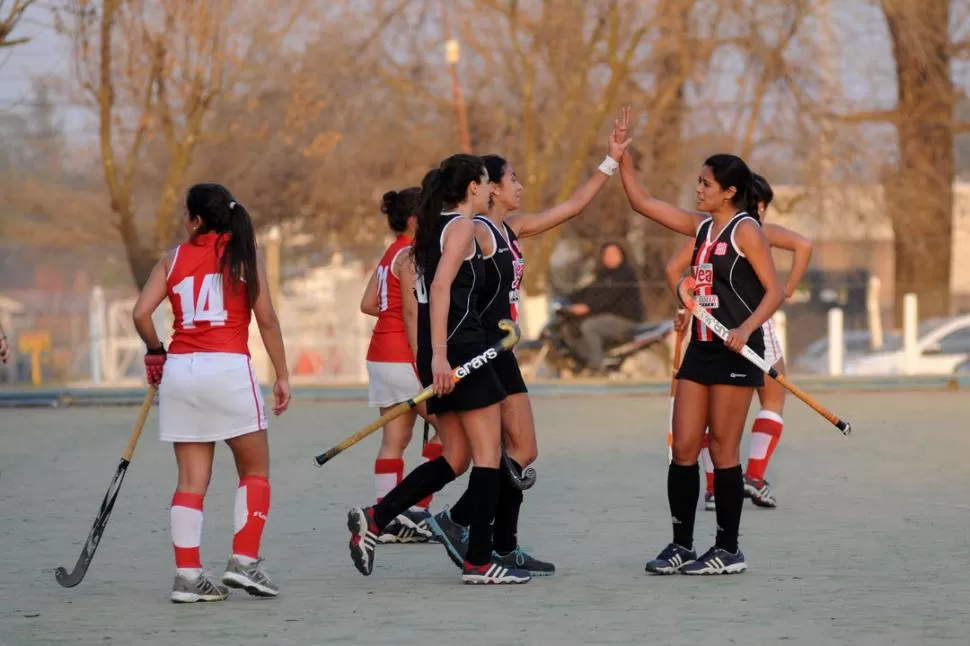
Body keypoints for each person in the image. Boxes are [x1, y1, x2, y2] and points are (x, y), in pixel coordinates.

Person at [427, 129, 631, 575]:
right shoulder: (476, 230)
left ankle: (484, 533)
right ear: (491, 188)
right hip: (484, 348)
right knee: (501, 452)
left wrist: (610, 161)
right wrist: (442, 353)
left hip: (504, 348)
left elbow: (572, 207)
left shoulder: (511, 228)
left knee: (522, 451)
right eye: (512, 179)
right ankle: (476, 533)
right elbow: (443, 285)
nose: (520, 186)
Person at [346, 154, 530, 585]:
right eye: (486, 183)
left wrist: (432, 356)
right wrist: (443, 356)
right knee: (487, 456)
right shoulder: (462, 225)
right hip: (461, 351)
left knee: (456, 456)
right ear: (472, 187)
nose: (489, 191)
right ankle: (479, 562)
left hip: (441, 353)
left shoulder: (430, 229)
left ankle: (376, 517)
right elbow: (443, 287)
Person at [612, 127, 785, 573]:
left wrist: (746, 329)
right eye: (699, 182)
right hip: (701, 349)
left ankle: (728, 550)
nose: (698, 190)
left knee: (725, 452)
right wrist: (621, 158)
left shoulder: (748, 231)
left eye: (706, 184)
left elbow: (774, 291)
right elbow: (643, 204)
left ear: (730, 191)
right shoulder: (703, 227)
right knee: (685, 447)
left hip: (738, 353)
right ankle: (681, 545)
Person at [131, 183, 291, 602]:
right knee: (254, 471)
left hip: (181, 372)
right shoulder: (245, 256)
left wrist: (154, 351)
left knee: (190, 479)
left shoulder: (172, 258)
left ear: (197, 220)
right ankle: (245, 562)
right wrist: (283, 375)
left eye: (186, 213)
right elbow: (268, 320)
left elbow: (141, 313)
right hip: (229, 370)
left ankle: (187, 576)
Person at [665, 174, 812, 511]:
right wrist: (786, 288)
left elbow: (680, 271)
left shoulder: (712, 231)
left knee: (708, 417)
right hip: (748, 327)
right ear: (755, 203)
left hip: (715, 327)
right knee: (772, 402)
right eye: (762, 204)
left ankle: (716, 487)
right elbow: (804, 244)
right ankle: (753, 476)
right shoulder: (754, 230)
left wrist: (686, 307)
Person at [359, 186, 444, 543]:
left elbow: (368, 303)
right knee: (451, 432)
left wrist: (392, 311)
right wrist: (422, 360)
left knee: (395, 438)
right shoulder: (409, 255)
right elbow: (411, 312)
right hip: (402, 356)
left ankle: (386, 521)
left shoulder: (388, 254)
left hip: (379, 356)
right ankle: (415, 510)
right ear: (413, 220)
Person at [567, 241, 645, 374]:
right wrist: (570, 298)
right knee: (573, 325)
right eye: (607, 254)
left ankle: (596, 366)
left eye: (615, 253)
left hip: (624, 319)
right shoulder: (601, 274)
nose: (611, 257)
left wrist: (588, 307)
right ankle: (581, 361)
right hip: (606, 317)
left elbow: (610, 296)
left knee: (589, 326)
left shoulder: (625, 274)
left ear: (622, 255)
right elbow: (589, 292)